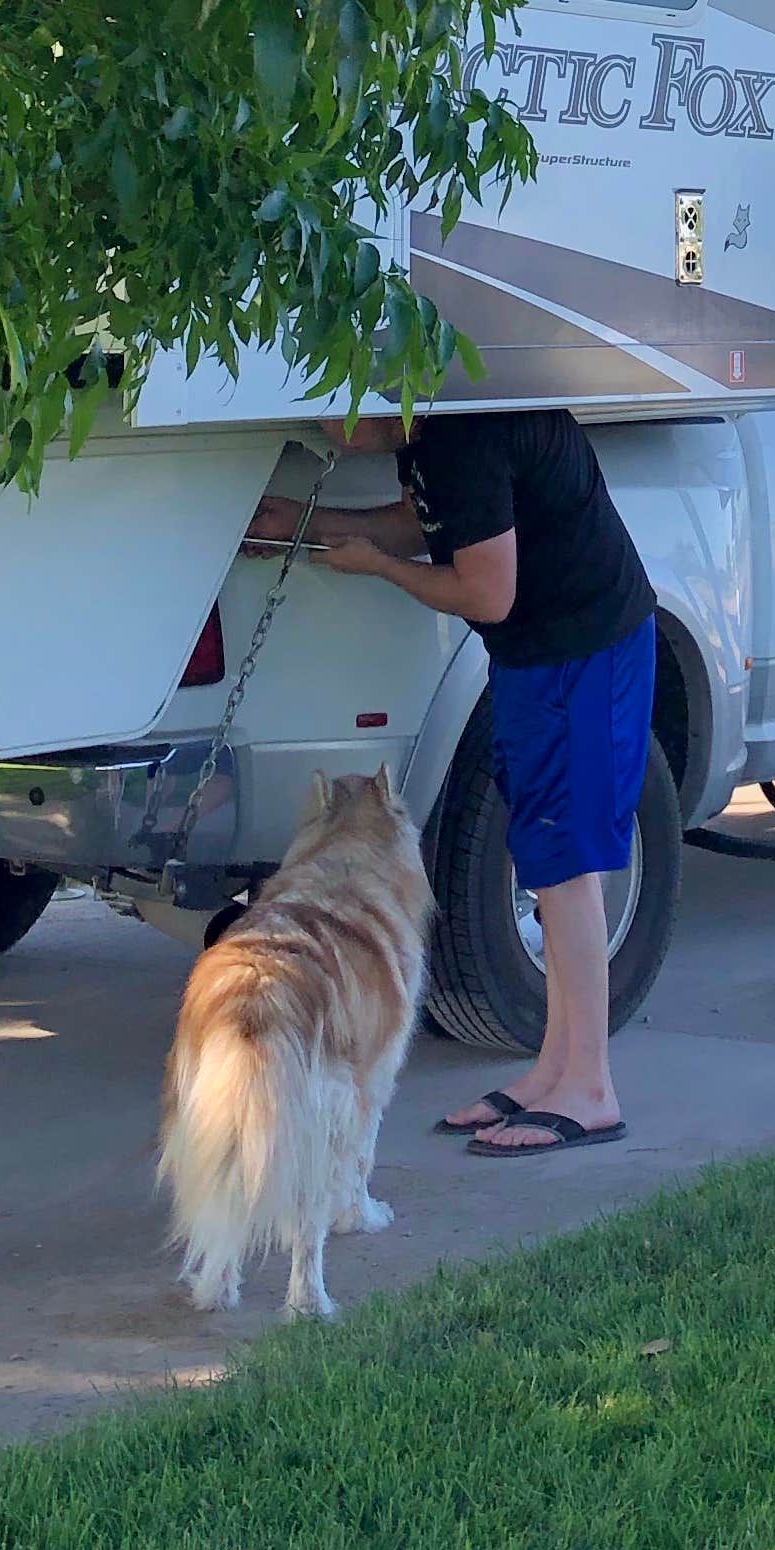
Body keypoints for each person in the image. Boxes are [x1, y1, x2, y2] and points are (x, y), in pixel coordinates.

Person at [312, 404, 654, 1155]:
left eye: (338, 412)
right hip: (537, 657)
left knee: (567, 864)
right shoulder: (429, 430)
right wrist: (322, 520)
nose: (332, 434)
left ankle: (591, 1089)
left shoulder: (463, 433)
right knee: (541, 851)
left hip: (585, 649)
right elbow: (431, 520)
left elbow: (485, 592)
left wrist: (378, 567)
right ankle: (554, 1070)